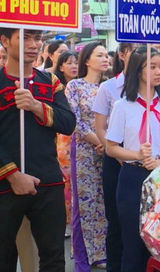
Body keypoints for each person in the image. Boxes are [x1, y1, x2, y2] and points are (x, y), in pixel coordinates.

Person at [0, 27, 76, 271]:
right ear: (5, 41)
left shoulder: (50, 81)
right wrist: (14, 176)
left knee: (54, 257)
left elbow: (68, 123)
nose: (33, 44)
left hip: (48, 180)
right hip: (3, 183)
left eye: (37, 38)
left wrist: (36, 106)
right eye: (24, 38)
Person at [105, 47, 160, 272]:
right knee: (133, 243)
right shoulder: (123, 106)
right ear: (137, 70)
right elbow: (111, 148)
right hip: (132, 177)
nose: (158, 72)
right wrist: (136, 154)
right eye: (152, 67)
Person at [65, 42, 109, 271]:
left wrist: (108, 144)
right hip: (83, 152)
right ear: (87, 60)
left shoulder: (110, 88)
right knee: (83, 204)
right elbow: (76, 122)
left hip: (108, 152)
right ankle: (82, 256)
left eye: (106, 55)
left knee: (103, 203)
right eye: (99, 55)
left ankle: (100, 252)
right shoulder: (75, 86)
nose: (105, 58)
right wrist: (102, 142)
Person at [93, 42, 136, 272]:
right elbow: (100, 127)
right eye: (134, 49)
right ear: (122, 55)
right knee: (117, 222)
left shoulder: (152, 88)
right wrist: (117, 152)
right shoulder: (108, 88)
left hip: (144, 165)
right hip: (116, 162)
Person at [53, 51, 78, 233]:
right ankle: (64, 221)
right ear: (60, 67)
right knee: (65, 180)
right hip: (63, 139)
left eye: (76, 62)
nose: (74, 66)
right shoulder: (57, 87)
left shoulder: (81, 85)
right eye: (69, 63)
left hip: (78, 140)